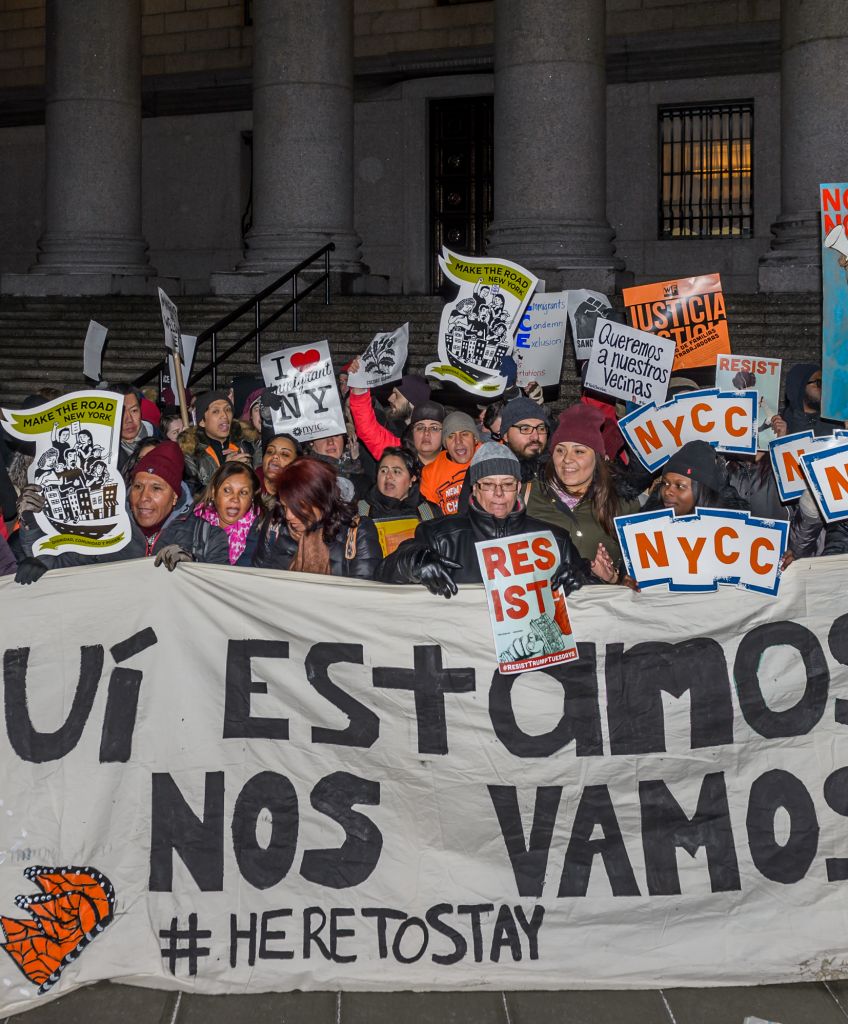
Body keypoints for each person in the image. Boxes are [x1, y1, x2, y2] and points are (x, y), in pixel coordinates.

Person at [378, 442, 591, 596]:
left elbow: (598, 601)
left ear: (518, 487)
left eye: (507, 484)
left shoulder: (555, 539)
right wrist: (412, 562)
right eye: (488, 484)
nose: (498, 494)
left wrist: (582, 576)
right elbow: (381, 577)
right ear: (475, 488)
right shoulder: (439, 536)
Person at [14, 441, 229, 583]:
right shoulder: (105, 527)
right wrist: (33, 531)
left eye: (156, 488)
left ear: (174, 496)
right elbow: (61, 567)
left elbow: (222, 596)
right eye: (137, 486)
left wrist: (192, 569)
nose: (143, 497)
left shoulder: (207, 537)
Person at [526, 405, 640, 584]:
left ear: (598, 458)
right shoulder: (528, 493)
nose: (567, 459)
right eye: (560, 450)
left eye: (579, 451)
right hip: (540, 606)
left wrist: (613, 577)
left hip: (596, 608)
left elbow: (639, 576)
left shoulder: (624, 504)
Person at [253, 457, 380, 578]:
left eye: (299, 507)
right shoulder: (275, 524)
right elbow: (260, 582)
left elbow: (363, 594)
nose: (288, 516)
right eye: (285, 507)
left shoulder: (357, 532)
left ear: (321, 499)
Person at [358, 446, 440, 555]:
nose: (388, 476)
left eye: (396, 471)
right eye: (383, 470)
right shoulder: (361, 512)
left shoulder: (428, 513)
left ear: (412, 479)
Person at [180, 390, 256, 491]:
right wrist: (225, 471)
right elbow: (193, 495)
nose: (224, 415)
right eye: (216, 411)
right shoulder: (190, 453)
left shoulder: (247, 445)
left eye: (228, 409)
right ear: (202, 421)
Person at [645, 440, 746, 516]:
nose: (667, 492)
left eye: (680, 486)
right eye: (665, 483)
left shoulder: (731, 530)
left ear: (703, 490)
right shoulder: (649, 523)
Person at [193, 462, 263, 566]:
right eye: (227, 490)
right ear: (213, 492)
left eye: (243, 492)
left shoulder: (261, 532)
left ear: (252, 498)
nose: (235, 499)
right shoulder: (193, 523)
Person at [419, 411, 481, 515]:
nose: (458, 441)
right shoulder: (430, 472)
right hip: (449, 529)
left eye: (464, 434)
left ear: (475, 439)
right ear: (445, 444)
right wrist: (431, 528)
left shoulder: (489, 457)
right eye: (451, 436)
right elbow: (424, 510)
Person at [498, 395, 552, 483]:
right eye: (525, 429)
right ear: (505, 436)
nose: (535, 436)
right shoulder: (492, 475)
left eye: (541, 428)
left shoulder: (560, 470)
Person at [776, 363, 833, 437]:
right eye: (819, 383)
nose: (825, 388)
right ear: (800, 386)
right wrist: (781, 439)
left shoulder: (836, 424)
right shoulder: (781, 424)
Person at [258, 432, 301, 500]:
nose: (275, 456)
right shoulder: (249, 482)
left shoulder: (302, 494)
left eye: (285, 454)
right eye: (270, 451)